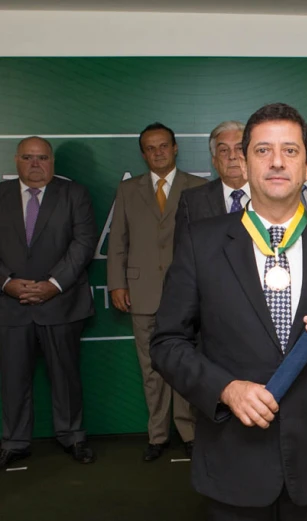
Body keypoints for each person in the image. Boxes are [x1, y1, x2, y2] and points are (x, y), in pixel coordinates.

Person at [150, 103, 307, 520]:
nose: (277, 162)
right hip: (233, 456)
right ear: (243, 160)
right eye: (262, 151)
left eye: (290, 151)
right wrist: (224, 388)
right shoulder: (202, 243)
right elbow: (166, 343)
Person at [107, 122, 207, 461]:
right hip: (142, 290)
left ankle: (189, 432)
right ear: (143, 153)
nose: (158, 152)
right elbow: (117, 241)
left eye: (163, 145)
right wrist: (117, 283)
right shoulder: (128, 189)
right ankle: (157, 435)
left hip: (188, 294)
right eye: (150, 148)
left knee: (186, 364)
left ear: (175, 148)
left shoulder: (198, 187)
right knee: (151, 369)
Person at [0, 137, 97, 468]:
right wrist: (7, 283)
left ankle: (72, 436)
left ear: (52, 162)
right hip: (9, 305)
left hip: (62, 303)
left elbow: (83, 244)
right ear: (16, 160)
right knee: (12, 380)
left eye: (42, 157)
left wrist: (52, 285)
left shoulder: (75, 194)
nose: (36, 163)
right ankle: (14, 441)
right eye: (28, 157)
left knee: (66, 376)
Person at [176, 121, 249, 233]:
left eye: (239, 148)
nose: (232, 156)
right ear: (214, 161)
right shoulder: (192, 201)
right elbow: (183, 248)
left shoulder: (271, 194)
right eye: (224, 150)